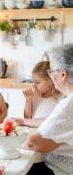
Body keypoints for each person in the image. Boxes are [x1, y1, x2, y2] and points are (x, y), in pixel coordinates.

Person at [24, 44, 73, 175]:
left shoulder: (67, 105)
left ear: (63, 74)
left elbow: (34, 144)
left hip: (59, 170)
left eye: (51, 71)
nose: (50, 75)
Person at [14, 61, 62, 128]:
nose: (34, 85)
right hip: (33, 131)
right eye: (33, 81)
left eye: (38, 82)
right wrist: (28, 100)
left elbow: (52, 123)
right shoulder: (34, 95)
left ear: (51, 81)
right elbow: (27, 118)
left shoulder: (58, 100)